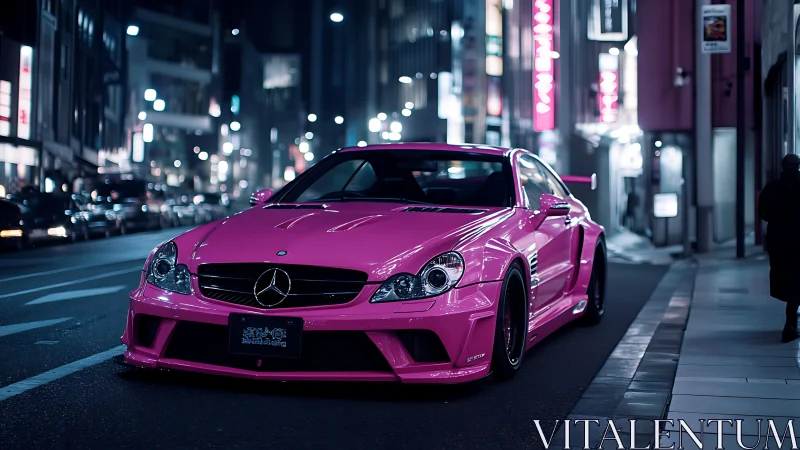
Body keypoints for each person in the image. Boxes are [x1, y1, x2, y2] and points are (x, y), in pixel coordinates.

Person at [758, 153, 800, 342]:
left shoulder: (772, 188)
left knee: (785, 276)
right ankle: (791, 321)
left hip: (779, 239)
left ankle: (791, 321)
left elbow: (763, 213)